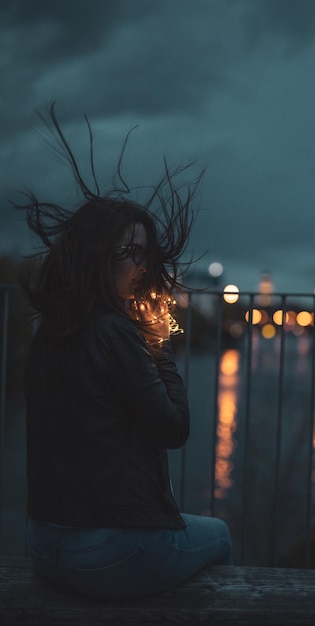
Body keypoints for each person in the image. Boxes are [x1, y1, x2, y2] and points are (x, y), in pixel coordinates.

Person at [18, 105, 232, 600]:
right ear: (97, 256)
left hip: (43, 542)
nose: (140, 266)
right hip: (104, 553)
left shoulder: (52, 330)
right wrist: (158, 345)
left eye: (144, 254)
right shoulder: (116, 333)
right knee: (218, 534)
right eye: (127, 253)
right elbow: (174, 428)